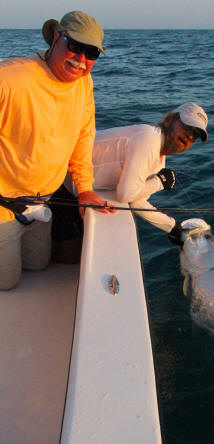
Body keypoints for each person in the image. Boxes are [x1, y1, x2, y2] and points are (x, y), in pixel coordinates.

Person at [0, 10, 114, 290]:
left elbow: (84, 137)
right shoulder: (11, 79)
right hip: (2, 204)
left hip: (43, 201)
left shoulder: (84, 84)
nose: (81, 60)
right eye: (75, 46)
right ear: (56, 37)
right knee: (7, 283)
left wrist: (85, 188)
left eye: (92, 53)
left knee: (38, 265)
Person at [51, 102, 208, 258]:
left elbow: (136, 200)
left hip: (77, 190)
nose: (190, 136)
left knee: (81, 254)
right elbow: (125, 195)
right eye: (187, 127)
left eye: (195, 135)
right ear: (169, 120)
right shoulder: (149, 139)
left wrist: (172, 227)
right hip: (60, 182)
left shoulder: (158, 159)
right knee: (70, 256)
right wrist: (159, 182)